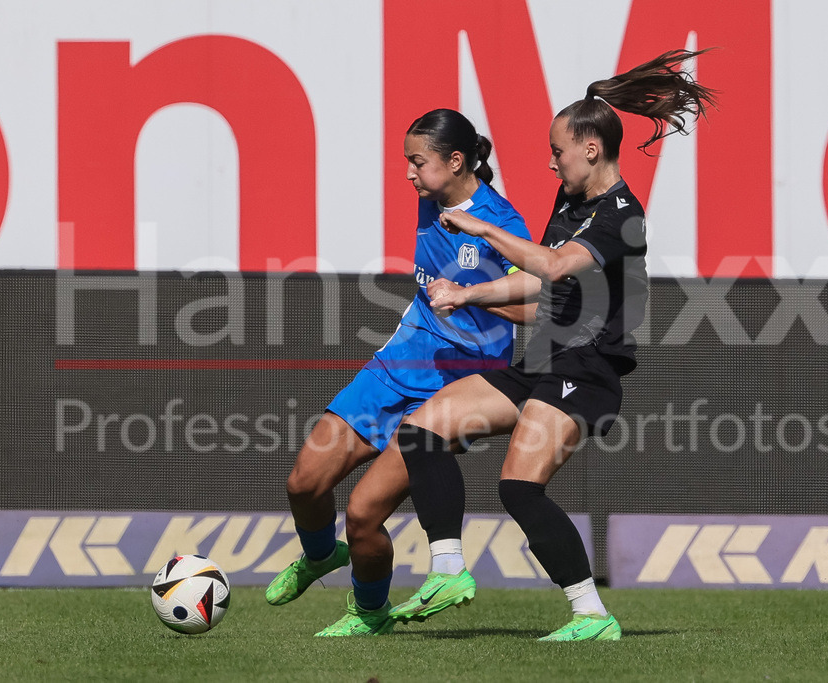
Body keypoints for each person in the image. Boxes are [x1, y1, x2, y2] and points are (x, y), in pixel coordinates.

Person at [388, 49, 718, 641]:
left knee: (518, 487)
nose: (551, 162)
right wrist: (471, 294)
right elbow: (540, 282)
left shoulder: (623, 214)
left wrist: (483, 227)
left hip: (586, 370)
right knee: (422, 430)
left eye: (557, 151)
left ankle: (592, 615)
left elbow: (554, 264)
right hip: (542, 361)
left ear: (590, 149)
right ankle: (447, 570)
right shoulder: (573, 203)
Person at [266, 108, 532, 637]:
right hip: (395, 366)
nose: (409, 174)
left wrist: (470, 297)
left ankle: (369, 613)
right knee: (303, 483)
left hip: (456, 390)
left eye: (418, 162)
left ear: (456, 162)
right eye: (407, 161)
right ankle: (320, 557)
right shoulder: (432, 197)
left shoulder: (504, 226)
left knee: (364, 516)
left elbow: (539, 308)